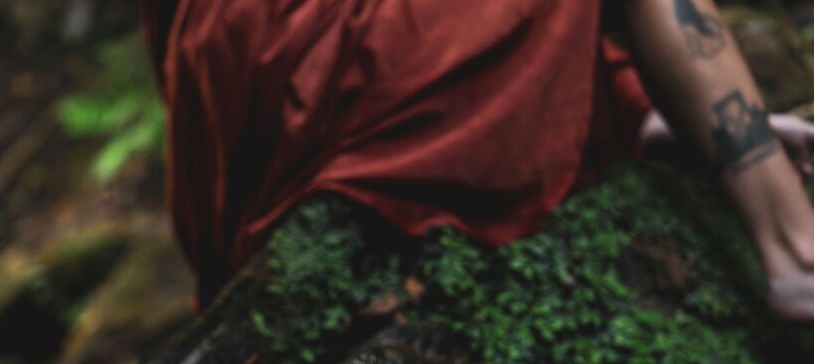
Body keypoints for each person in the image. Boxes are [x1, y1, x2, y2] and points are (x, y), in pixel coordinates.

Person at [142, 0, 814, 319]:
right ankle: (795, 248)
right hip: (287, 38)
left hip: (239, 61)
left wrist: (681, 116)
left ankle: (683, 130)